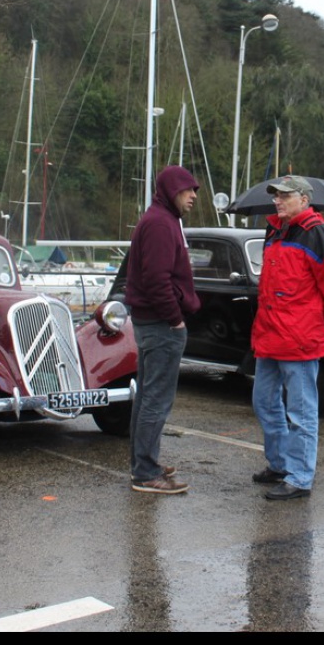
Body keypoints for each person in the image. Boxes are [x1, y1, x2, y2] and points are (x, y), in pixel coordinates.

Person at [250, 174, 324, 501]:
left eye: (284, 196)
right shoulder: (276, 231)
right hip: (270, 336)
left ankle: (300, 477)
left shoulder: (317, 234)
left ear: (303, 200)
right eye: (276, 196)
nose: (277, 201)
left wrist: (319, 326)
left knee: (301, 412)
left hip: (300, 339)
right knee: (264, 402)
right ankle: (280, 464)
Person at [123, 165, 201, 494]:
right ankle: (145, 472)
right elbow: (156, 279)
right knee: (156, 398)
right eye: (188, 190)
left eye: (195, 190)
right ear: (172, 191)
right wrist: (175, 318)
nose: (193, 196)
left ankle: (145, 462)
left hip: (153, 322)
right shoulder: (159, 223)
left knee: (148, 396)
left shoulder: (163, 220)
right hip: (160, 324)